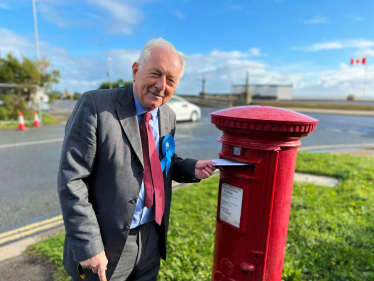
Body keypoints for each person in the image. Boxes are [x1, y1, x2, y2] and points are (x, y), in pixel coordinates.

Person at [57, 38, 216, 281]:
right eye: (156, 73)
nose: (162, 85)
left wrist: (190, 167)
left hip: (151, 238)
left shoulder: (168, 115)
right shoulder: (96, 106)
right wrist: (90, 245)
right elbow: (72, 180)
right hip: (106, 243)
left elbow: (158, 162)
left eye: (171, 80)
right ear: (135, 70)